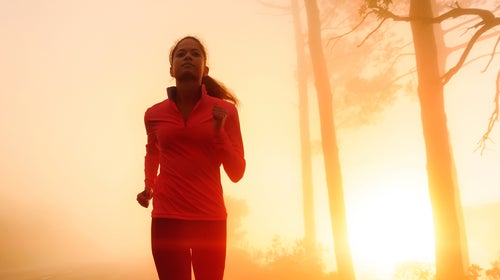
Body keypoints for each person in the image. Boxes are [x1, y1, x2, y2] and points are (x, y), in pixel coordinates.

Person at [136, 35, 246, 280]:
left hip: (210, 218)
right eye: (181, 53)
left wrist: (219, 133)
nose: (188, 56)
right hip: (167, 218)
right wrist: (148, 186)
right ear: (171, 68)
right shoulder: (153, 114)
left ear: (205, 68)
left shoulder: (225, 111)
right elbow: (153, 152)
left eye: (195, 53)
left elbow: (237, 172)